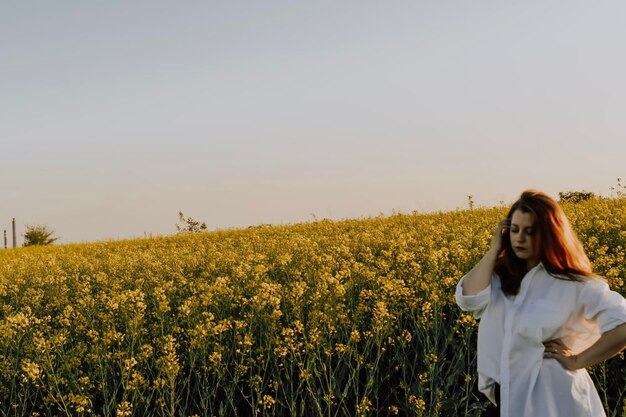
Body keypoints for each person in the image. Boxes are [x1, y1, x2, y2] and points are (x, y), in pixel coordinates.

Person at [455, 190, 626, 417]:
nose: (520, 238)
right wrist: (495, 249)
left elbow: (622, 324)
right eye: (514, 230)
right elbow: (468, 299)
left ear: (548, 234)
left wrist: (578, 360)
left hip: (556, 398)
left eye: (530, 232)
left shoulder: (571, 283)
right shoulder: (499, 276)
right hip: (507, 396)